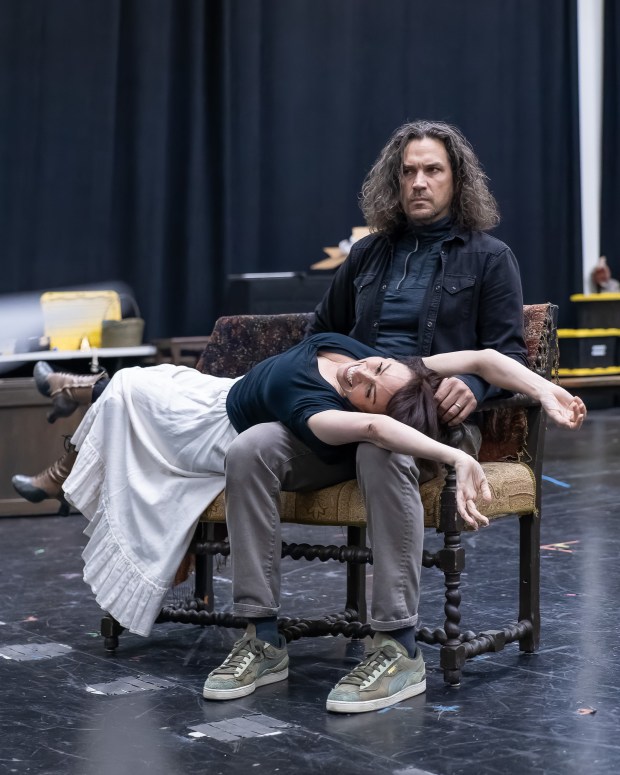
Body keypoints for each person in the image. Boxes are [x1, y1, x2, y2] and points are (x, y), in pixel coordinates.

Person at [14, 119, 531, 712]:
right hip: (344, 412)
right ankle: (260, 636)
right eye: (408, 171)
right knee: (250, 448)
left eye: (432, 170)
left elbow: (509, 355)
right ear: (395, 180)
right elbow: (322, 331)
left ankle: (397, 646)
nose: (419, 182)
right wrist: (325, 386)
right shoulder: (368, 255)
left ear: (456, 179)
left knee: (379, 449)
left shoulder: (490, 258)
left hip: (429, 421)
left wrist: (472, 385)